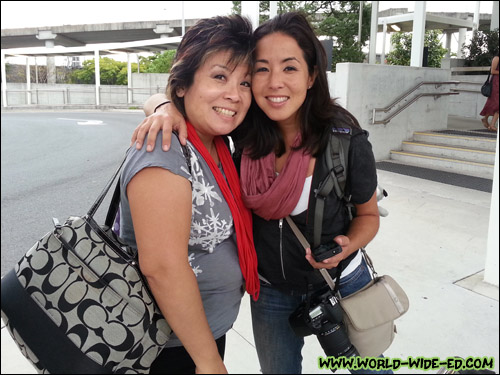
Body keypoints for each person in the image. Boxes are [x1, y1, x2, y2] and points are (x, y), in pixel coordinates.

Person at [133, 12, 391, 375]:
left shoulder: (344, 141)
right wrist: (163, 108)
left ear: (312, 75)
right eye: (261, 69)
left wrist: (347, 245)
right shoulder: (242, 132)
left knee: (371, 370)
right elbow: (187, 95)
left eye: (289, 68)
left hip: (341, 282)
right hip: (271, 293)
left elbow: (367, 215)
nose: (274, 83)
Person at [119, 15, 259, 374]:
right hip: (166, 347)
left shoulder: (220, 146)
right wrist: (208, 361)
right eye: (219, 77)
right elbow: (162, 267)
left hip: (202, 335)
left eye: (245, 82)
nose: (235, 94)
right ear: (182, 85)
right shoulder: (164, 148)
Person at [480, 53, 499, 132]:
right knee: (496, 103)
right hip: (496, 83)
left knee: (495, 104)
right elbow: (493, 71)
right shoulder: (496, 58)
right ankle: (491, 124)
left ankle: (487, 120)